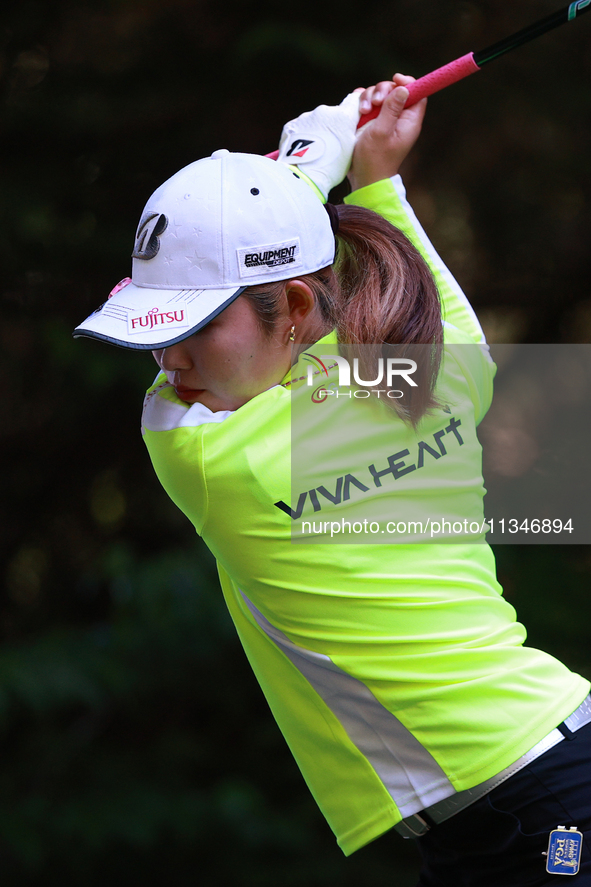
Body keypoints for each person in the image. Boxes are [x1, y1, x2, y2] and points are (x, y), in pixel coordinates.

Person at [73, 76, 591, 885]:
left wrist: (322, 165)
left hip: (546, 807)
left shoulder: (211, 457)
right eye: (157, 331)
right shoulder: (430, 377)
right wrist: (349, 174)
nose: (169, 361)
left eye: (195, 325)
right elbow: (424, 294)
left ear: (291, 300)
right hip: (516, 796)